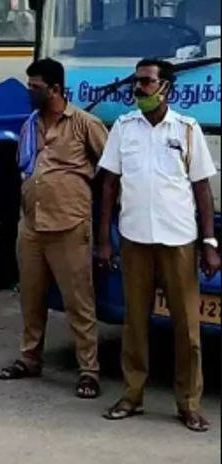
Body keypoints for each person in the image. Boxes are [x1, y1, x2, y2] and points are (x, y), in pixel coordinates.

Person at [97, 58, 218, 433]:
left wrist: (209, 242)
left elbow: (201, 189)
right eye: (137, 81)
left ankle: (189, 403)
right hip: (134, 241)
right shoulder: (123, 127)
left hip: (179, 240)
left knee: (187, 328)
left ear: (166, 88)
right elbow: (108, 185)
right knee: (135, 324)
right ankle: (132, 395)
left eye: (147, 82)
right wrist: (104, 239)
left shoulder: (186, 130)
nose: (139, 89)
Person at [0, 59, 106, 398]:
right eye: (29, 86)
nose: (30, 93)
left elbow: (111, 172)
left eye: (36, 88)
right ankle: (30, 358)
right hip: (31, 225)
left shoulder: (85, 124)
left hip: (69, 225)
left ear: (56, 89)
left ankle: (88, 370)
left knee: (79, 302)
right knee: (31, 298)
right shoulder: (30, 125)